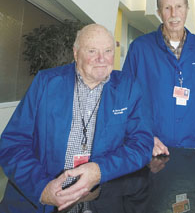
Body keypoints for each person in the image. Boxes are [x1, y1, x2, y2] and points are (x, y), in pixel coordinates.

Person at [0, 24, 153, 213]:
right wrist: (42, 188)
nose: (101, 59)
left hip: (100, 200)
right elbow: (13, 144)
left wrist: (99, 170)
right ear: (75, 53)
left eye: (107, 51)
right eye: (92, 51)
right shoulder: (46, 83)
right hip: (42, 201)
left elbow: (142, 144)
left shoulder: (128, 87)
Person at [123, 0, 195, 157]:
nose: (174, 13)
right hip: (153, 149)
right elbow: (126, 100)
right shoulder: (140, 49)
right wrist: (143, 137)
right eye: (167, 8)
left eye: (179, 7)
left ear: (187, 9)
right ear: (159, 12)